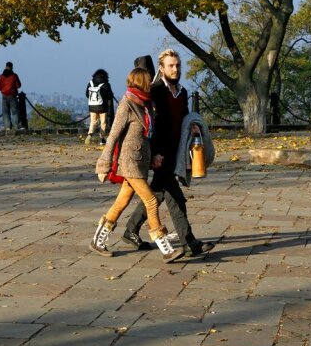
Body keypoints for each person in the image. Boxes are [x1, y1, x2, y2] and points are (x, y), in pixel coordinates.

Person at [122, 49, 215, 257]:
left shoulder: (182, 93)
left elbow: (181, 119)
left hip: (175, 152)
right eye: (170, 66)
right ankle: (189, 243)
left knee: (156, 194)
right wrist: (154, 153)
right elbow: (147, 125)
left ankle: (130, 230)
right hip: (159, 155)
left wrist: (192, 127)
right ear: (161, 68)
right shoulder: (154, 91)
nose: (175, 69)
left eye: (177, 65)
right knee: (176, 198)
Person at [92, 68, 183, 263]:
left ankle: (98, 240)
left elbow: (146, 136)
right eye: (148, 80)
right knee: (150, 201)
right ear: (141, 81)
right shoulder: (128, 103)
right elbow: (113, 135)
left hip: (141, 161)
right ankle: (164, 246)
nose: (150, 83)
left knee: (122, 201)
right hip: (129, 162)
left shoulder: (145, 104)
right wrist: (103, 165)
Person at [85, 69, 114, 146]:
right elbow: (109, 96)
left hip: (92, 106)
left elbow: (87, 94)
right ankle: (102, 139)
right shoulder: (106, 84)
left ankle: (90, 134)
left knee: (93, 121)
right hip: (102, 107)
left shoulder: (90, 83)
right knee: (103, 123)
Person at [0, 62, 22, 130]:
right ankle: (16, 126)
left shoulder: (1, 76)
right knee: (14, 112)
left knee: (5, 112)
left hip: (4, 96)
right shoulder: (14, 76)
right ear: (12, 67)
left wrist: (3, 89)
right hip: (12, 96)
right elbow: (18, 85)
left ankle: (7, 127)